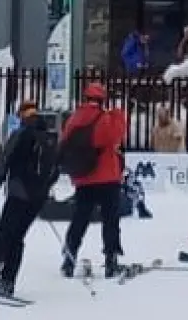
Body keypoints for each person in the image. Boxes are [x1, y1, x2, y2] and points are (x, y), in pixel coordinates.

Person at [0, 101, 60, 300]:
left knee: (3, 236)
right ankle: (8, 281)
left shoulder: (21, 133)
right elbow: (56, 171)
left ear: (22, 115)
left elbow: (5, 160)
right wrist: (42, 188)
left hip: (19, 193)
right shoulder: (48, 137)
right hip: (37, 198)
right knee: (18, 237)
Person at [59, 82, 129, 278]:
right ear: (102, 100)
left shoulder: (73, 119)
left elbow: (64, 142)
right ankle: (110, 260)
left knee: (79, 219)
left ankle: (69, 258)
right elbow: (116, 135)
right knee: (110, 220)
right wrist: (118, 113)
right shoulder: (106, 119)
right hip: (107, 178)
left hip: (84, 178)